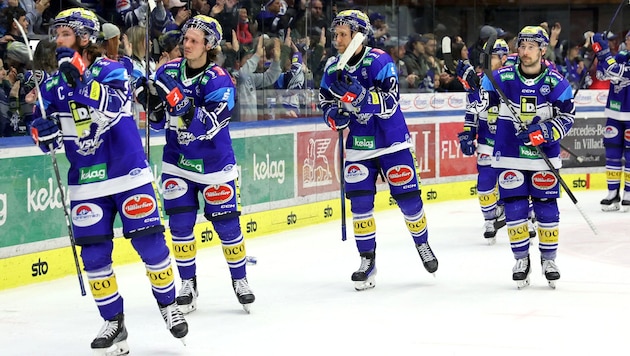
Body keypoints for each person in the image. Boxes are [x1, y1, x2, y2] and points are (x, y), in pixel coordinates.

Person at [29, 7, 188, 354]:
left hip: (127, 174)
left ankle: (168, 305)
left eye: (65, 34)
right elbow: (55, 140)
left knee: (151, 246)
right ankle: (114, 322)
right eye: (56, 35)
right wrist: (43, 135)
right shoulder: (53, 83)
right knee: (95, 257)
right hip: (85, 182)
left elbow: (114, 107)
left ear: (84, 37)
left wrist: (82, 80)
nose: (57, 41)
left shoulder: (115, 69)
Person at [319, 10, 438, 291]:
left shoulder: (380, 61)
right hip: (359, 146)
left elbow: (390, 102)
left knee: (409, 201)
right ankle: (367, 261)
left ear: (358, 36)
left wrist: (360, 97)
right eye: (335, 34)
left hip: (391, 141)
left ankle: (422, 244)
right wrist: (334, 116)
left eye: (343, 34)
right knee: (360, 205)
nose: (337, 39)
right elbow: (324, 101)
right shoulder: (332, 67)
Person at [146, 14, 255, 313]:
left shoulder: (220, 79)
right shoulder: (168, 70)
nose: (187, 44)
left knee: (228, 226)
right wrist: (151, 101)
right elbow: (157, 122)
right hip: (177, 163)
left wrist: (179, 100)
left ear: (210, 45)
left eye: (195, 40)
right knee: (180, 226)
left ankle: (240, 279)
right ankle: (188, 284)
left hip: (215, 166)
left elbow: (208, 125)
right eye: (185, 39)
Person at [472, 25, 574, 288]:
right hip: (508, 154)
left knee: (546, 209)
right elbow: (483, 99)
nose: (525, 51)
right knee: (516, 209)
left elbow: (567, 117)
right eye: (522, 46)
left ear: (543, 49)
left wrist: (542, 132)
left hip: (544, 158)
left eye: (531, 46)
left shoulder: (556, 82)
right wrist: (476, 81)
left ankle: (549, 260)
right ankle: (521, 259)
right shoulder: (502, 77)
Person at [456, 39, 510, 244]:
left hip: (510, 142)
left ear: (504, 58)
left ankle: (525, 219)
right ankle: (489, 220)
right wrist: (469, 132)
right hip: (488, 140)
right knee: (485, 180)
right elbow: (472, 109)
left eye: (493, 57)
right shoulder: (478, 78)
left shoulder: (513, 77)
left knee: (515, 181)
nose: (487, 61)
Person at [591, 32, 630, 211]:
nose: (628, 42)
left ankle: (629, 193)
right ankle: (612, 193)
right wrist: (600, 55)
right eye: (628, 39)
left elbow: (617, 72)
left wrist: (604, 54)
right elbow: (602, 75)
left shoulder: (619, 60)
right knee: (612, 153)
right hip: (614, 112)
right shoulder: (621, 56)